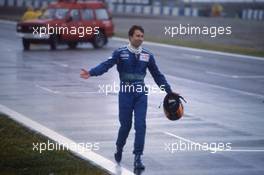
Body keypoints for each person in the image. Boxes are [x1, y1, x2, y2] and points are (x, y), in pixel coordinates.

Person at [80, 25, 173, 170]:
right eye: (137, 36)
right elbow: (106, 65)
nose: (140, 38)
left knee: (140, 125)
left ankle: (138, 157)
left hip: (141, 93)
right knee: (126, 125)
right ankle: (119, 148)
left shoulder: (148, 55)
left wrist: (169, 92)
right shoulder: (120, 52)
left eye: (142, 36)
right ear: (130, 37)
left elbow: (158, 76)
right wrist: (91, 72)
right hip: (125, 93)